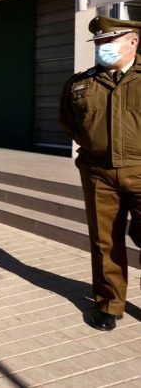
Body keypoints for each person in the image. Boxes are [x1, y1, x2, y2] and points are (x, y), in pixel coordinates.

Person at [60, 16, 141, 332]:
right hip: (98, 173)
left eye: (108, 42)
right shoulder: (81, 83)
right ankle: (109, 305)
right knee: (105, 241)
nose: (101, 48)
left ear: (132, 41)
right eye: (98, 43)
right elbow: (69, 122)